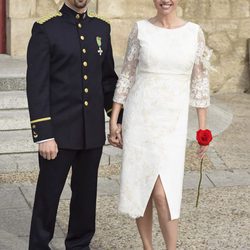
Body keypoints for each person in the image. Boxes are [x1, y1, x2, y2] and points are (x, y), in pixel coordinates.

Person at [108, 0, 213, 249]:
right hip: (140, 118)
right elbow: (127, 74)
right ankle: (147, 246)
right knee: (142, 185)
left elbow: (200, 82)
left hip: (173, 123)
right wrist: (114, 119)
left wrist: (203, 129)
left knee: (163, 193)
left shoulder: (194, 32)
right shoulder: (140, 29)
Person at [26, 0, 122, 249]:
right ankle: (38, 245)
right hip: (57, 133)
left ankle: (80, 244)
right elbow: (37, 86)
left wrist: (117, 120)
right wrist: (44, 134)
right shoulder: (46, 29)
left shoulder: (101, 29)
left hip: (91, 132)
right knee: (48, 195)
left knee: (85, 196)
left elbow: (108, 81)